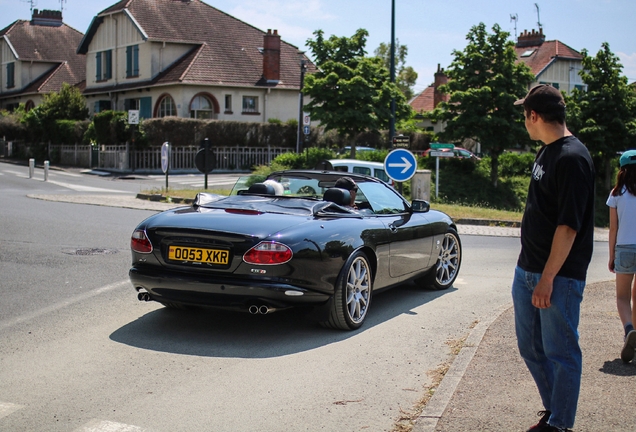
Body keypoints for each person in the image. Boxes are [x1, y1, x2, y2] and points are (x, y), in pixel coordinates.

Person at [512, 84, 595, 432]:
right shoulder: (547, 151)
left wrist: (546, 278)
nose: (524, 123)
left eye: (524, 115)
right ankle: (553, 410)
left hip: (557, 277)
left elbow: (568, 228)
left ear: (534, 115)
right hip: (527, 269)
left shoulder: (573, 158)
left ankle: (560, 424)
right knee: (532, 350)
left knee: (561, 353)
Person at [606, 149, 636, 363]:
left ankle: (628, 330)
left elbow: (613, 229)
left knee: (622, 297)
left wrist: (611, 256)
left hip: (624, 249)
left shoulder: (616, 194)